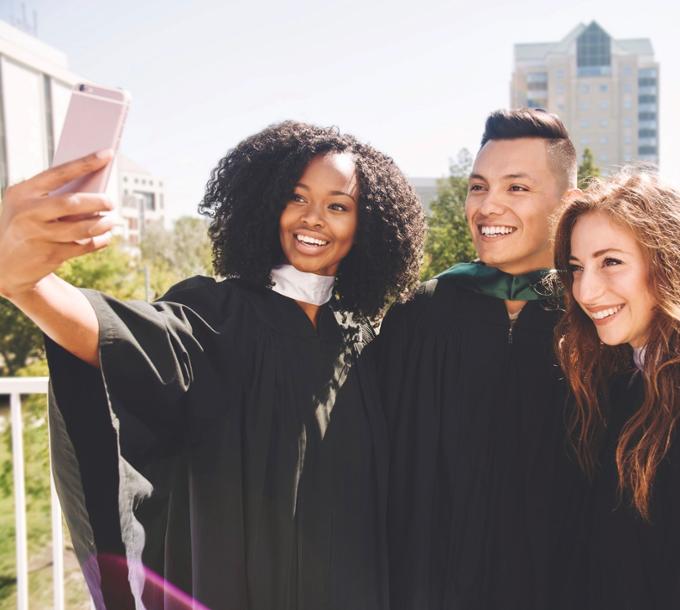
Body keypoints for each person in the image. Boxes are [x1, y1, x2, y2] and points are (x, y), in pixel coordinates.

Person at [0, 121, 425, 610]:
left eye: (337, 206)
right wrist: (26, 284)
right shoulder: (215, 312)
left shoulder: (363, 336)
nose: (313, 218)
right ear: (268, 204)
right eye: (297, 197)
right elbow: (112, 335)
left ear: (365, 224)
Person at [373, 108, 582, 610]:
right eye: (477, 186)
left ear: (568, 203)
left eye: (516, 188)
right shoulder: (417, 317)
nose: (488, 206)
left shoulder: (592, 324)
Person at [554, 167, 680, 609]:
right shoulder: (619, 385)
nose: (586, 291)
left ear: (667, 259)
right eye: (576, 268)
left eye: (611, 261)